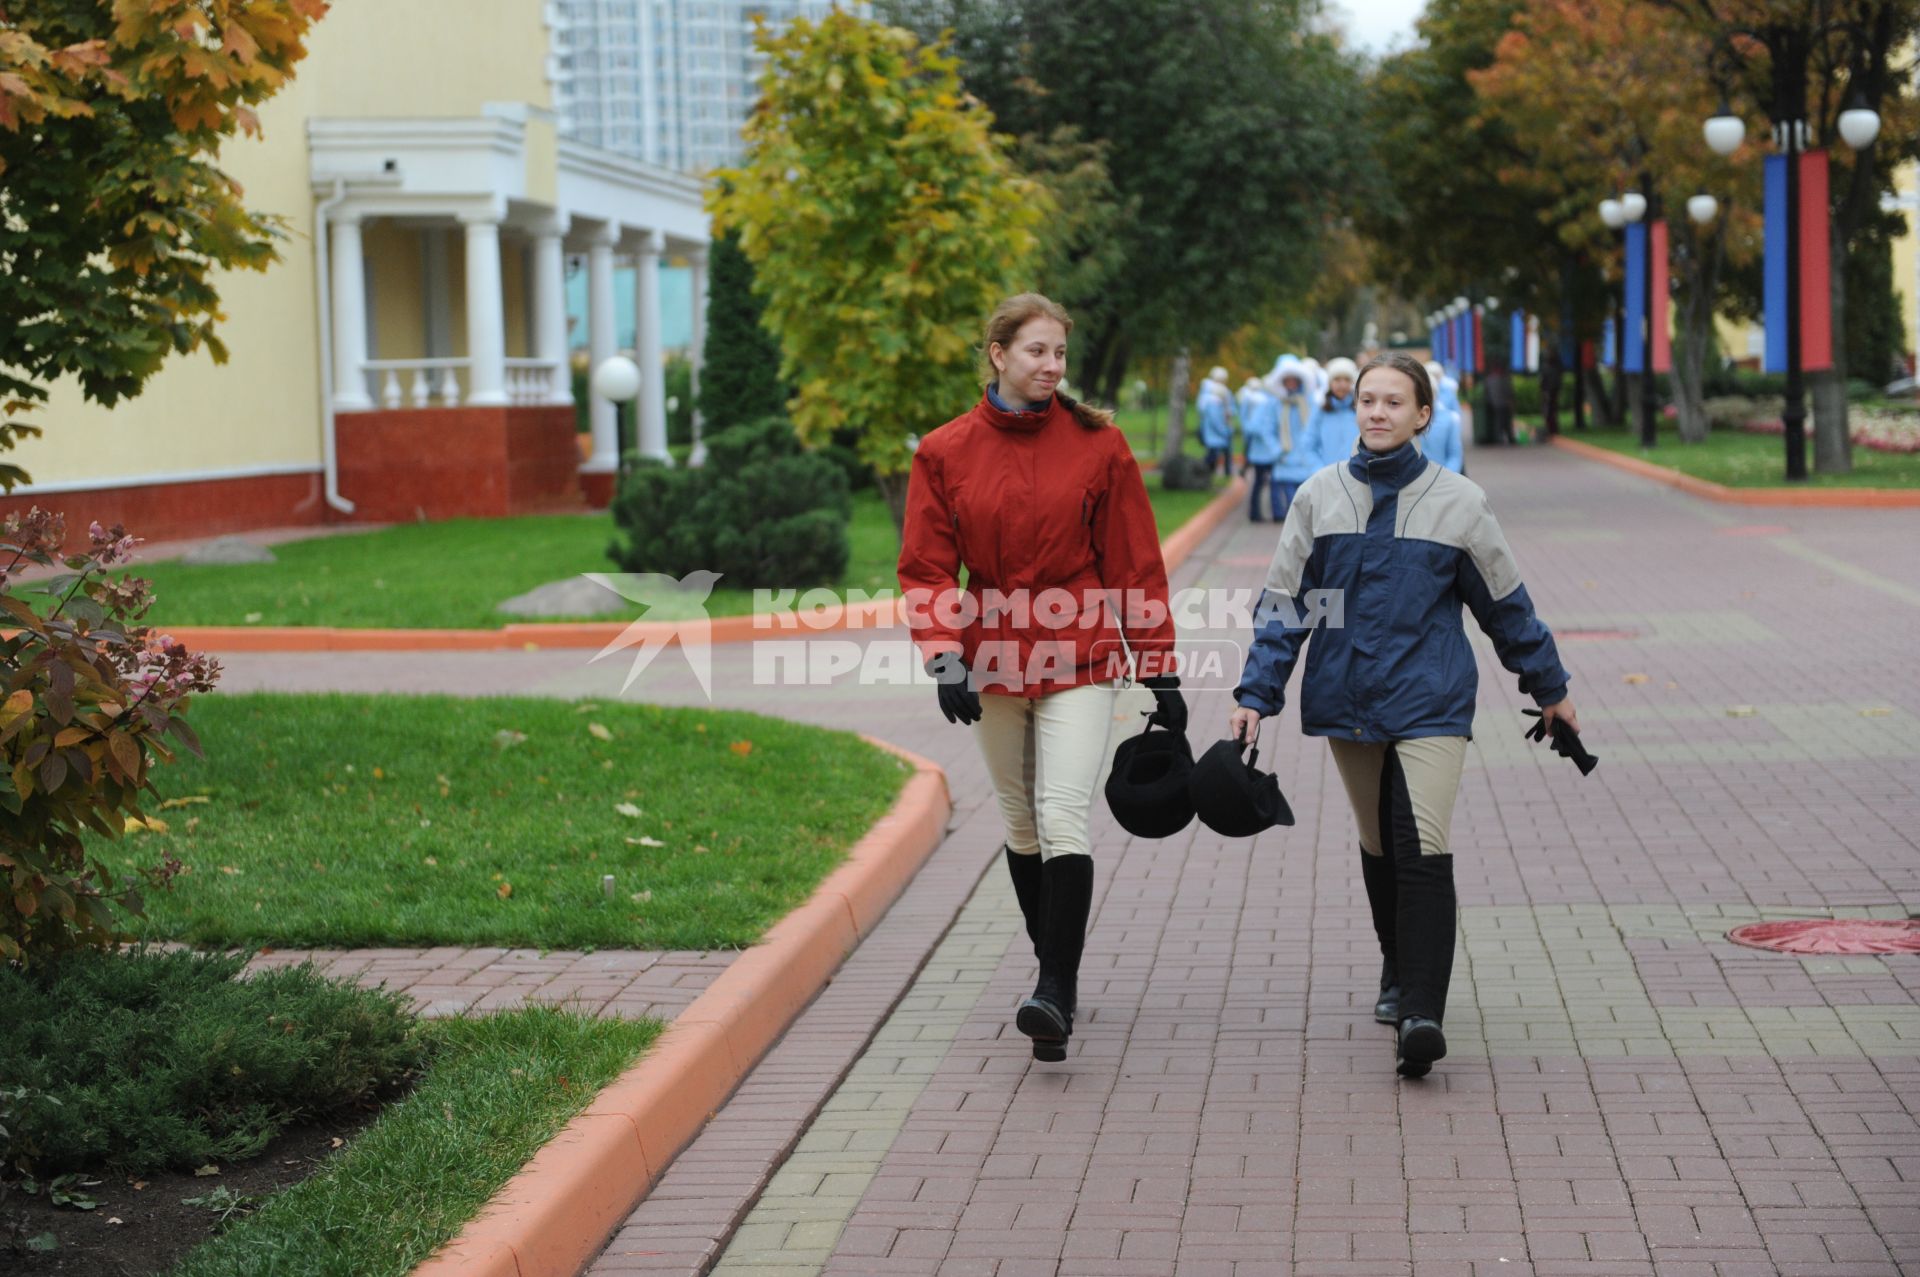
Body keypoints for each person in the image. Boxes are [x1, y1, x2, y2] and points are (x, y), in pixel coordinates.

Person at [1228, 352, 1577, 1080]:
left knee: (1422, 844)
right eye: (1367, 400)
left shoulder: (1460, 502)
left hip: (1432, 700)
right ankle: (1397, 967)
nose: (1378, 412)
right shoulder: (1319, 497)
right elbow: (1285, 608)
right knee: (1378, 844)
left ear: (1424, 414)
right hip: (1347, 697)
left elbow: (1505, 606)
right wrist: (1255, 696)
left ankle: (1422, 1010)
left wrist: (1548, 684)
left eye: (1394, 401)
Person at [897, 292, 1188, 1063]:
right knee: (1020, 822)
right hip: (991, 658)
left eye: (1060, 352)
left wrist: (1158, 666)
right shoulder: (944, 452)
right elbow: (926, 567)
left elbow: (1135, 563)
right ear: (997, 353)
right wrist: (942, 651)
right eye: (1036, 351)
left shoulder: (1100, 447)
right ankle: (1051, 970)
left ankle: (1054, 989)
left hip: (1081, 653)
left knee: (1062, 812)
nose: (1052, 366)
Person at [1268, 354, 1318, 520]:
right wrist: (1278, 450)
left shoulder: (1311, 402)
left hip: (1307, 462)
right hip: (1286, 460)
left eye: (1293, 379)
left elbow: (1316, 429)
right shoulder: (1277, 404)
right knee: (1293, 504)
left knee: (1309, 503)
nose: (1290, 383)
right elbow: (1267, 429)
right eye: (1286, 380)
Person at [1299, 355, 1359, 469]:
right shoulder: (1320, 410)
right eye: (1337, 379)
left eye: (1347, 380)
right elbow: (1308, 445)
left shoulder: (1360, 410)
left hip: (1356, 477)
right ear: (1330, 383)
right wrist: (1319, 470)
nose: (1342, 385)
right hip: (1326, 477)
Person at [1239, 375, 1281, 521]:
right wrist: (1268, 436)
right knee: (1266, 483)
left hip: (1263, 452)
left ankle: (1260, 513)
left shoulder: (1269, 401)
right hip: (1264, 453)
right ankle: (1262, 513)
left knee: (1263, 483)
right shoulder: (1266, 403)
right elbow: (1253, 427)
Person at [1196, 365, 1239, 479]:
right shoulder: (1208, 396)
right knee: (1213, 454)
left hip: (1225, 427)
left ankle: (1227, 473)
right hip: (1215, 429)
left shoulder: (1226, 392)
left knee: (1226, 452)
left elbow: (1231, 407)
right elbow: (1209, 414)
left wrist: (1229, 412)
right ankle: (1206, 473)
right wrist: (1224, 430)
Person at [1422, 360, 1464, 474]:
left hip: (1443, 478)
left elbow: (1455, 455)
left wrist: (1444, 478)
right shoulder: (1408, 419)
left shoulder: (1450, 419)